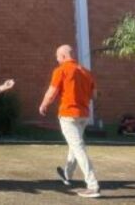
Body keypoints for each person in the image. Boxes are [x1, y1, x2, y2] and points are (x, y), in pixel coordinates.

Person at [38, 44, 100, 198]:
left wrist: (44, 104)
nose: (57, 60)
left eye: (58, 57)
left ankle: (92, 185)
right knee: (75, 145)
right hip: (84, 115)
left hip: (68, 114)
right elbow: (95, 95)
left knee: (78, 147)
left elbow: (52, 91)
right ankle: (67, 174)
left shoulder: (61, 70)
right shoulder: (86, 72)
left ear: (64, 56)